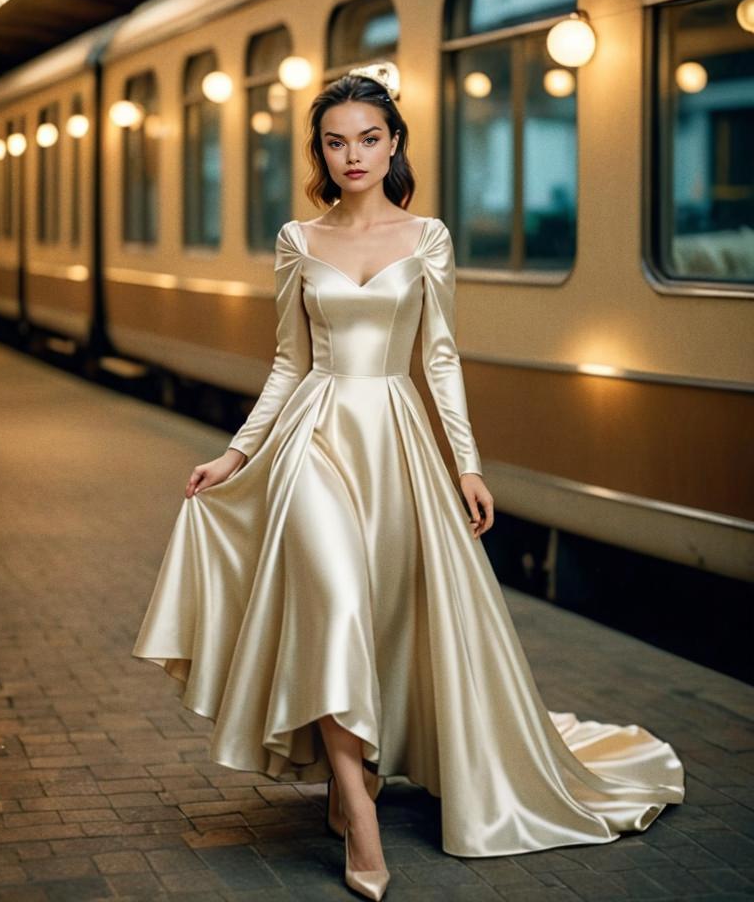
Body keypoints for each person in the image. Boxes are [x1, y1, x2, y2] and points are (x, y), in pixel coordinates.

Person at [133, 62, 685, 901]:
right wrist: (237, 455)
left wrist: (466, 461)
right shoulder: (297, 240)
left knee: (382, 616)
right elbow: (288, 363)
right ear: (320, 151)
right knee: (336, 604)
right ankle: (357, 809)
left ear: (393, 145)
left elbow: (438, 358)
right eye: (335, 141)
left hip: (397, 444)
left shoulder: (427, 237)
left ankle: (355, 776)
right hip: (311, 442)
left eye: (368, 138)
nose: (352, 154)